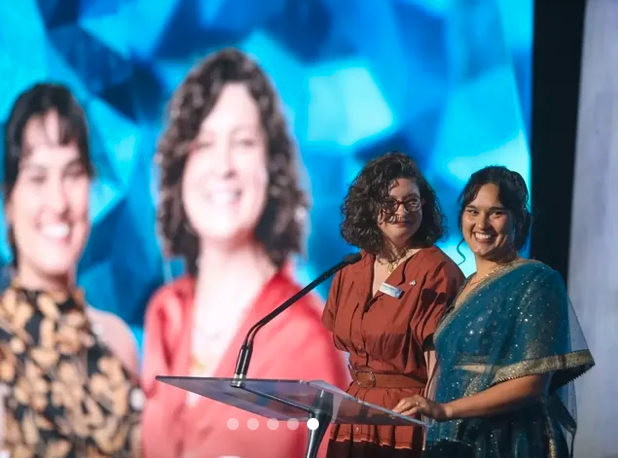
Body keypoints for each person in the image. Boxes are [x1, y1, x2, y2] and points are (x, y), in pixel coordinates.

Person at [141, 48, 349, 458]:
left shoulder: (307, 337)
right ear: (179, 168)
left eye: (243, 142)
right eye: (203, 142)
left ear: (271, 168)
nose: (223, 165)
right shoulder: (166, 312)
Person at [393, 166, 595, 457]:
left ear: (518, 220)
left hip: (508, 442)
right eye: (473, 211)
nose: (482, 224)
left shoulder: (537, 281)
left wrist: (445, 409)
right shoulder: (465, 288)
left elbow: (532, 384)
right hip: (452, 438)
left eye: (496, 212)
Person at [0, 83, 142, 455]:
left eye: (73, 173)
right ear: (7, 203)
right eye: (36, 177)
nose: (58, 201)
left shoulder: (118, 342)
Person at [322, 151, 465, 458]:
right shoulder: (351, 268)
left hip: (405, 416)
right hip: (353, 412)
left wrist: (433, 428)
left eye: (411, 201)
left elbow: (439, 365)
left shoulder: (437, 271)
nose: (402, 211)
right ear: (370, 207)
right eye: (390, 202)